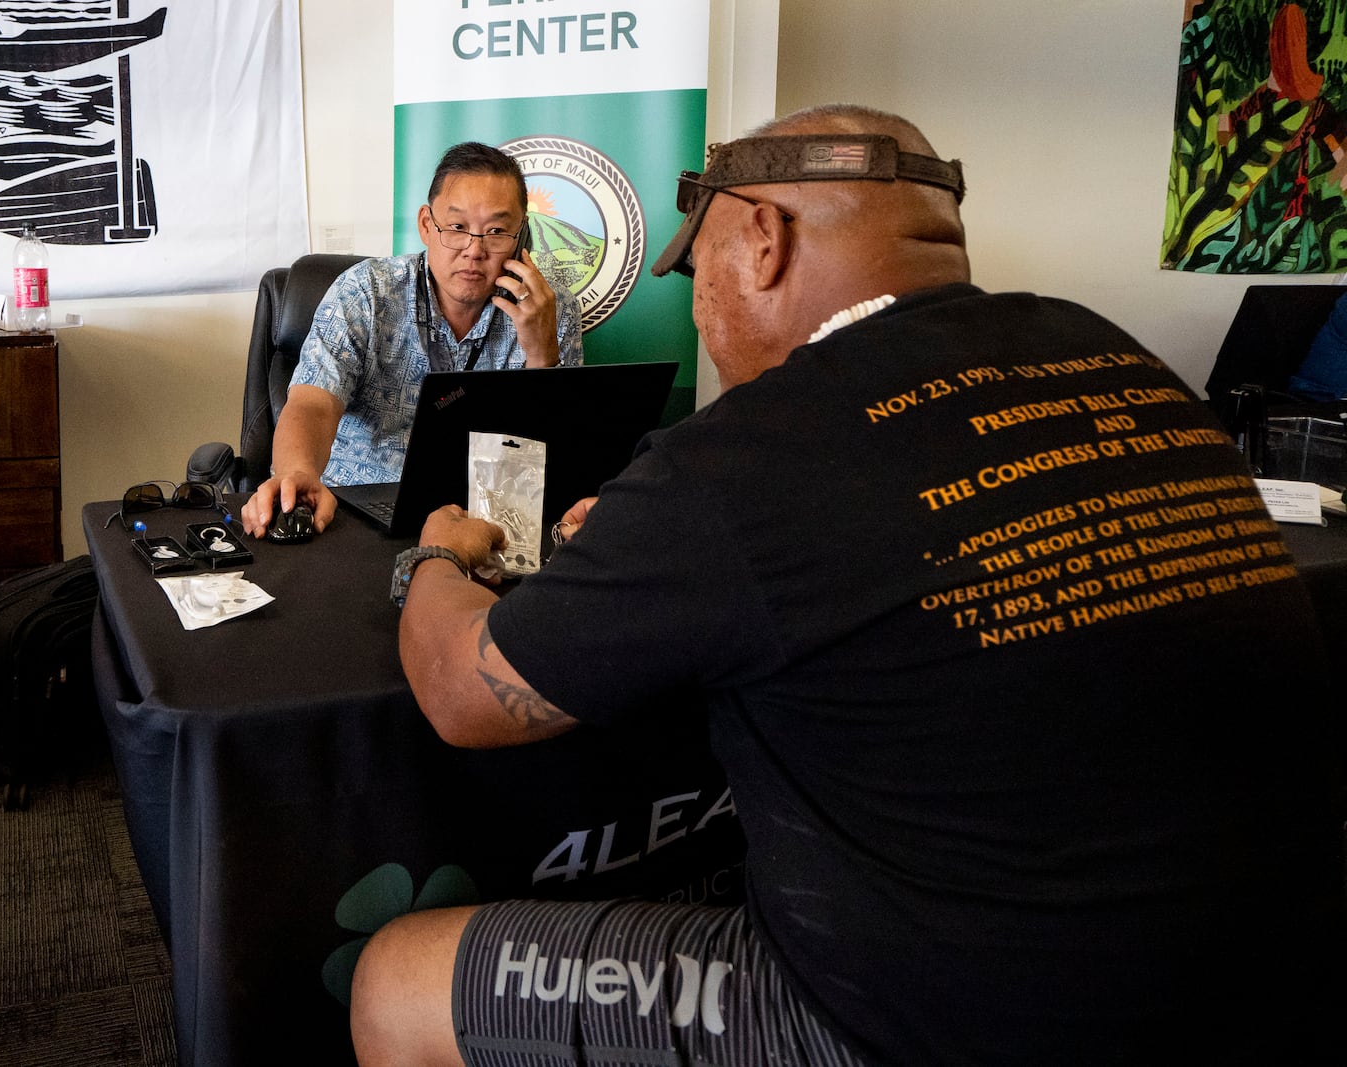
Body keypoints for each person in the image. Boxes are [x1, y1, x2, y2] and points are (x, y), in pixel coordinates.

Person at [350, 105, 1346, 1066]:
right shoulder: (1121, 360)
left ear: (763, 239)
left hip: (948, 1023)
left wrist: (437, 549)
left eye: (698, 272)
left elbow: (460, 691)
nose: (701, 308)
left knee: (396, 979)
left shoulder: (746, 453)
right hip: (1273, 981)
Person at [241, 141, 583, 538]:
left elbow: (555, 456)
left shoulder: (550, 309)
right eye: (456, 228)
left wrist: (543, 357)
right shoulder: (366, 292)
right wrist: (298, 472)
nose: (474, 250)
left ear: (521, 234)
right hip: (357, 511)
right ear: (426, 225)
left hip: (489, 521)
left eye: (496, 232)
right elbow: (313, 402)